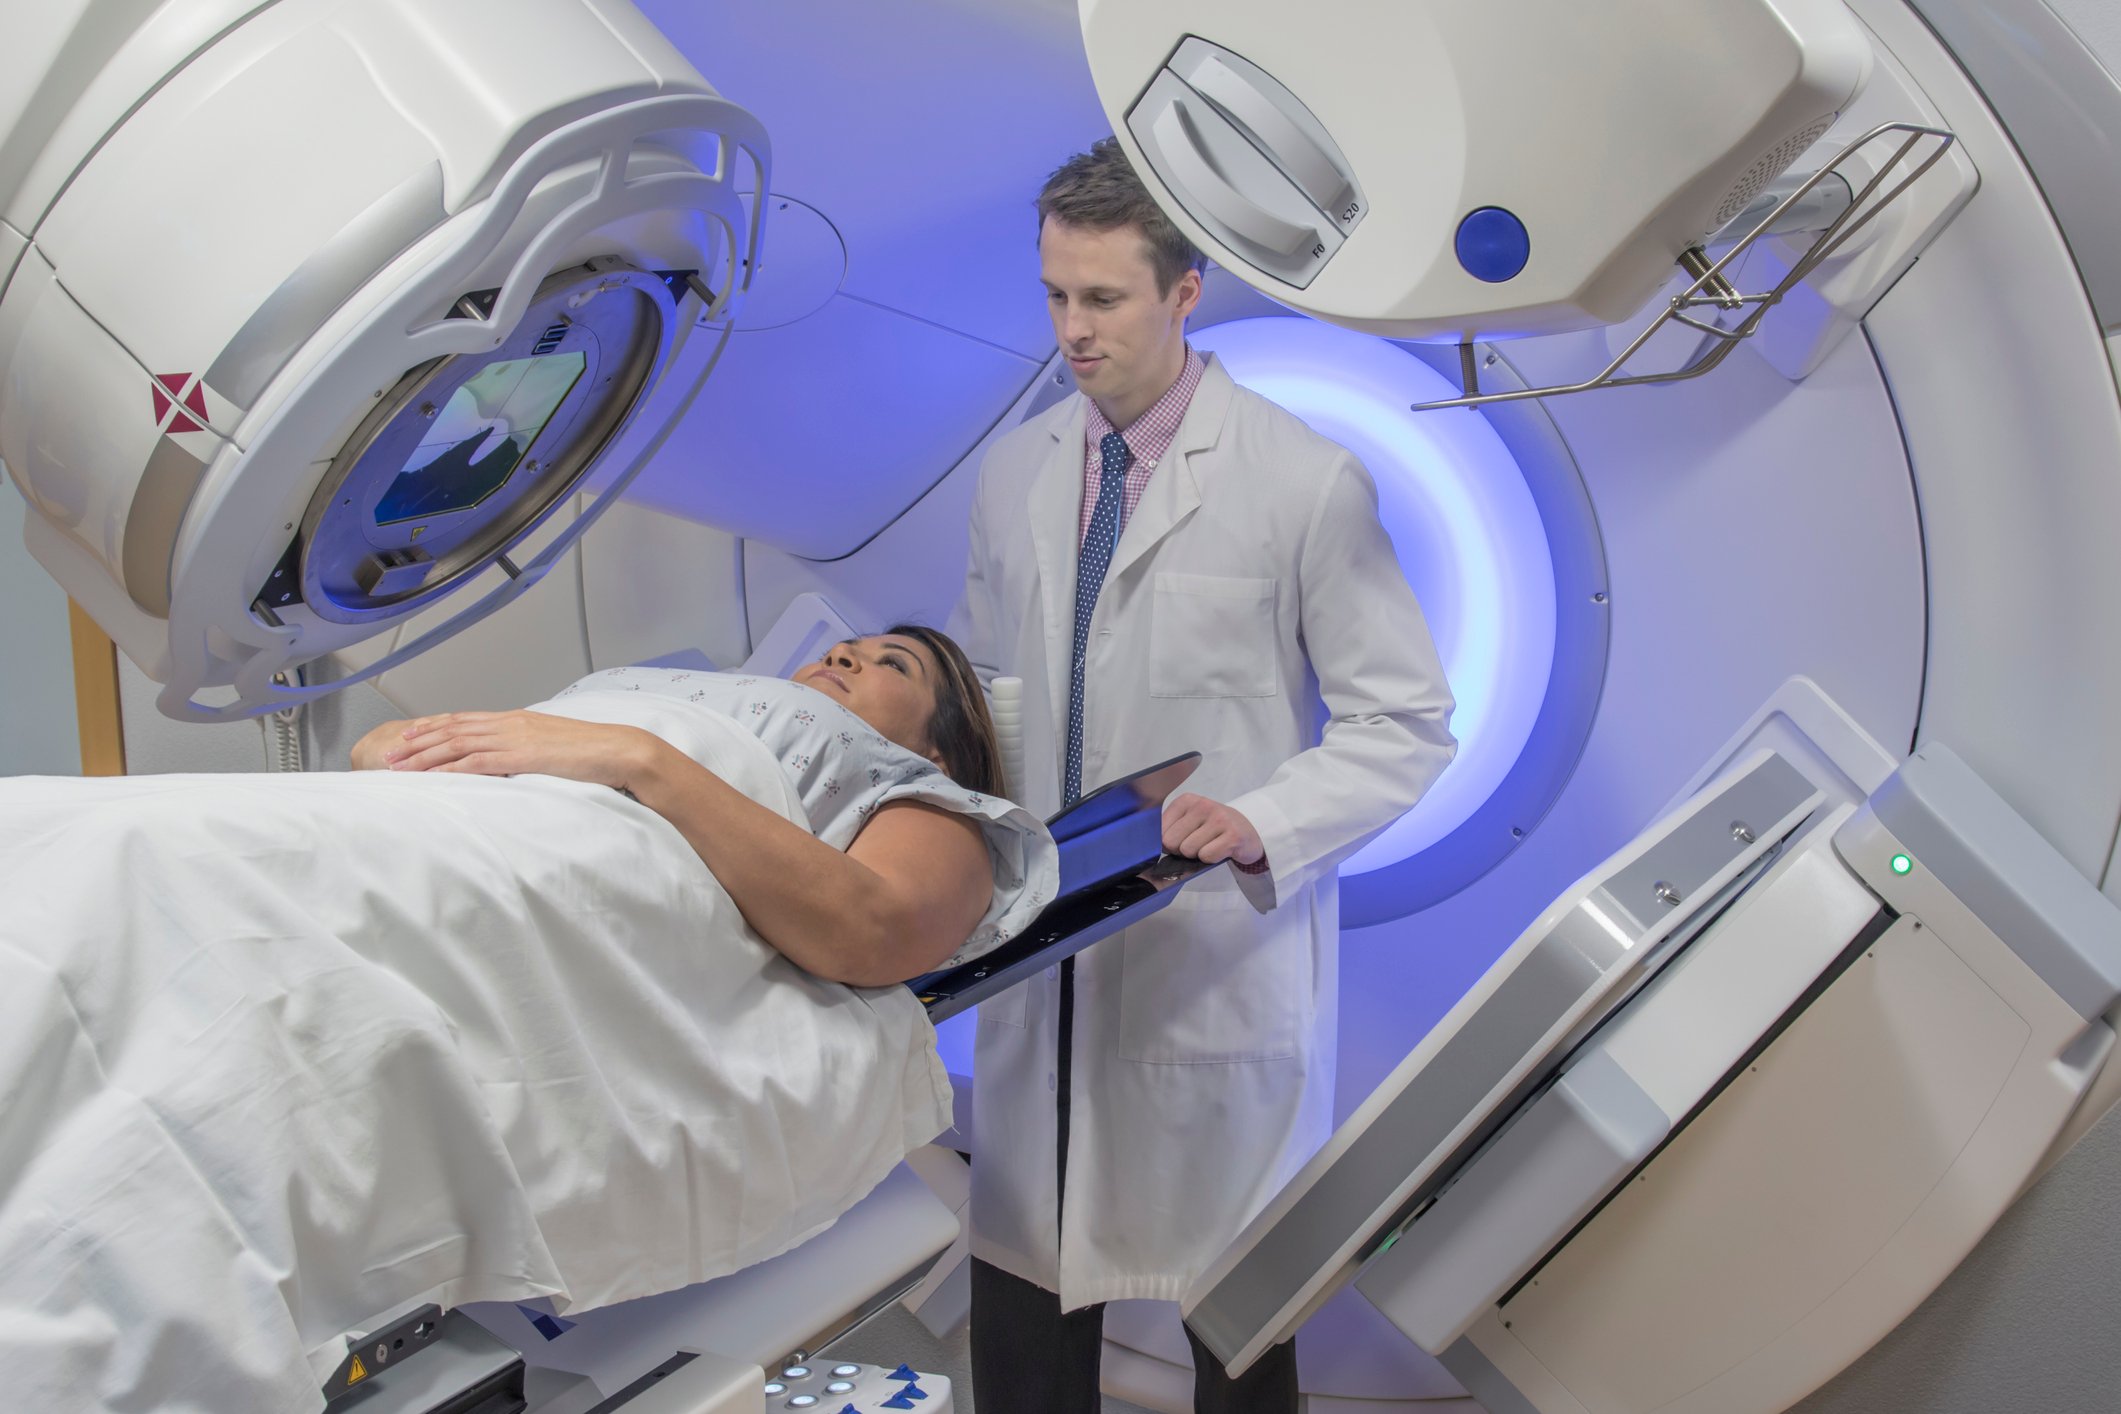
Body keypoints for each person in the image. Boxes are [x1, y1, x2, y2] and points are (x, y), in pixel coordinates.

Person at [950, 138, 1457, 1411]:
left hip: (1205, 962)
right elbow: (986, 696)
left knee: (1232, 1332)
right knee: (1021, 1321)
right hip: (1040, 947)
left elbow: (1405, 722)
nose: (1072, 330)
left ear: (1186, 293)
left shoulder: (1302, 480)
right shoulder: (1014, 474)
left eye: (1104, 298)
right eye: (1056, 294)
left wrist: (1263, 820)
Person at [351, 625, 1014, 983]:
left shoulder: (929, 801)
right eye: (848, 647)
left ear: (938, 754)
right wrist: (401, 747)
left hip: (539, 846)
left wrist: (640, 760)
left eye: (892, 664)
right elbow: (383, 751)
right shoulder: (679, 692)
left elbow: (879, 936)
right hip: (429, 810)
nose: (843, 650)